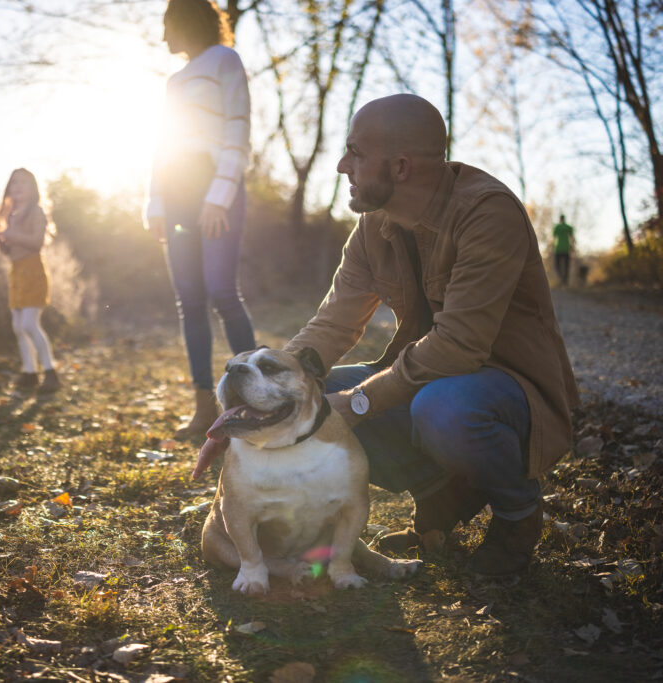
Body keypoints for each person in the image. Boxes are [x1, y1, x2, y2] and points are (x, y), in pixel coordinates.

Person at [282, 94, 579, 576]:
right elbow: (334, 321)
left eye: (355, 152)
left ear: (400, 167)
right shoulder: (372, 226)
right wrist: (269, 392)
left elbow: (460, 345)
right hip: (431, 381)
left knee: (440, 407)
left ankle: (517, 516)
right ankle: (441, 496)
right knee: (315, 393)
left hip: (509, 391)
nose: (341, 165)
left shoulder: (488, 212)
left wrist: (362, 402)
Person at [145, 0, 257, 438]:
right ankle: (202, 406)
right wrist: (156, 201)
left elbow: (239, 129)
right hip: (176, 192)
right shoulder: (174, 81)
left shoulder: (225, 60)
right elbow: (162, 144)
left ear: (186, 20)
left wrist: (220, 195)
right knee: (189, 298)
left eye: (167, 25)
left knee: (220, 291)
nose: (163, 36)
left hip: (215, 186)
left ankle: (256, 399)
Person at [0, 168, 61, 396]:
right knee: (18, 327)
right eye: (13, 183)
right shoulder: (11, 215)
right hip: (17, 272)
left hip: (33, 271)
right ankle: (30, 373)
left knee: (30, 323)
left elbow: (37, 243)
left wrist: (10, 235)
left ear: (33, 189)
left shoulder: (36, 212)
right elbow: (10, 253)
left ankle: (50, 372)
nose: (17, 187)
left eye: (23, 183)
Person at [552, 214, 575, 286]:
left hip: (558, 248)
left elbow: (554, 237)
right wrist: (572, 246)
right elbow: (572, 237)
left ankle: (561, 276)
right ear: (564, 219)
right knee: (566, 265)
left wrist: (553, 246)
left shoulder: (557, 227)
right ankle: (565, 281)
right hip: (566, 248)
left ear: (560, 219)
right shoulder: (568, 227)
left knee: (557, 265)